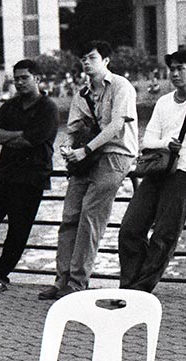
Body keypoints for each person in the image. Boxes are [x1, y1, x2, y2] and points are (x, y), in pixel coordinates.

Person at [118, 49, 186, 293]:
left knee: (164, 235)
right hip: (157, 170)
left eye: (182, 68)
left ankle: (140, 290)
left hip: (185, 173)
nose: (176, 73)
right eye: (173, 69)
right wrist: (166, 143)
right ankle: (128, 286)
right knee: (129, 229)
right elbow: (148, 140)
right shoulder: (163, 102)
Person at [42, 41, 139, 300]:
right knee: (70, 216)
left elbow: (117, 125)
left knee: (90, 217)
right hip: (86, 157)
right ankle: (61, 279)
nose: (86, 62)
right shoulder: (81, 94)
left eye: (92, 57)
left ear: (106, 60)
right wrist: (66, 148)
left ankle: (76, 283)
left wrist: (84, 150)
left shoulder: (121, 86)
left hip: (116, 154)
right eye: (83, 58)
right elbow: (72, 130)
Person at [0, 59, 60, 294]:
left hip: (31, 177)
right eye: (16, 78)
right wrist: (20, 135)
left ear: (38, 79)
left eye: (25, 78)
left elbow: (30, 140)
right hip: (2, 173)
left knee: (18, 231)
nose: (19, 82)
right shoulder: (10, 106)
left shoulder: (48, 108)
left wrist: (12, 136)